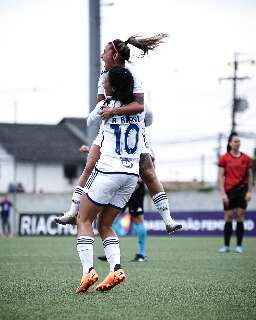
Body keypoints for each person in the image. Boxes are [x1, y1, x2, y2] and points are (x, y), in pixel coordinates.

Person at [56, 33, 182, 234]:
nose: (101, 55)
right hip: (110, 130)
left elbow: (139, 106)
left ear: (114, 55)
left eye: (104, 51)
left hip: (131, 130)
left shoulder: (133, 77)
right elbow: (100, 103)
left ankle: (168, 219)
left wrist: (113, 110)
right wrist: (103, 110)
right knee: (89, 166)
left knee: (148, 172)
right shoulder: (103, 76)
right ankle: (72, 211)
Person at [75, 66, 144, 293]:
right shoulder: (139, 109)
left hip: (109, 172)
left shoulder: (106, 106)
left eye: (105, 80)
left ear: (112, 86)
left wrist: (102, 108)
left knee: (83, 220)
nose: (102, 83)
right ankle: (116, 268)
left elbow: (89, 121)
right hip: (130, 176)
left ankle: (88, 272)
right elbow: (144, 108)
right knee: (105, 224)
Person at [218, 132, 253, 253]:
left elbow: (250, 176)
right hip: (229, 191)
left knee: (240, 216)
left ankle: (239, 246)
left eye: (239, 141)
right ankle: (226, 246)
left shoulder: (246, 158)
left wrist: (249, 191)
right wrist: (223, 193)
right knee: (228, 216)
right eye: (235, 141)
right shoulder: (224, 158)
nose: (238, 143)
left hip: (242, 191)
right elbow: (220, 177)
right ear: (230, 143)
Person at [98, 178, 147, 262]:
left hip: (135, 188)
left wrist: (138, 181)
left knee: (137, 219)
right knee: (110, 218)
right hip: (121, 189)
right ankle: (112, 252)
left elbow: (148, 167)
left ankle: (141, 254)